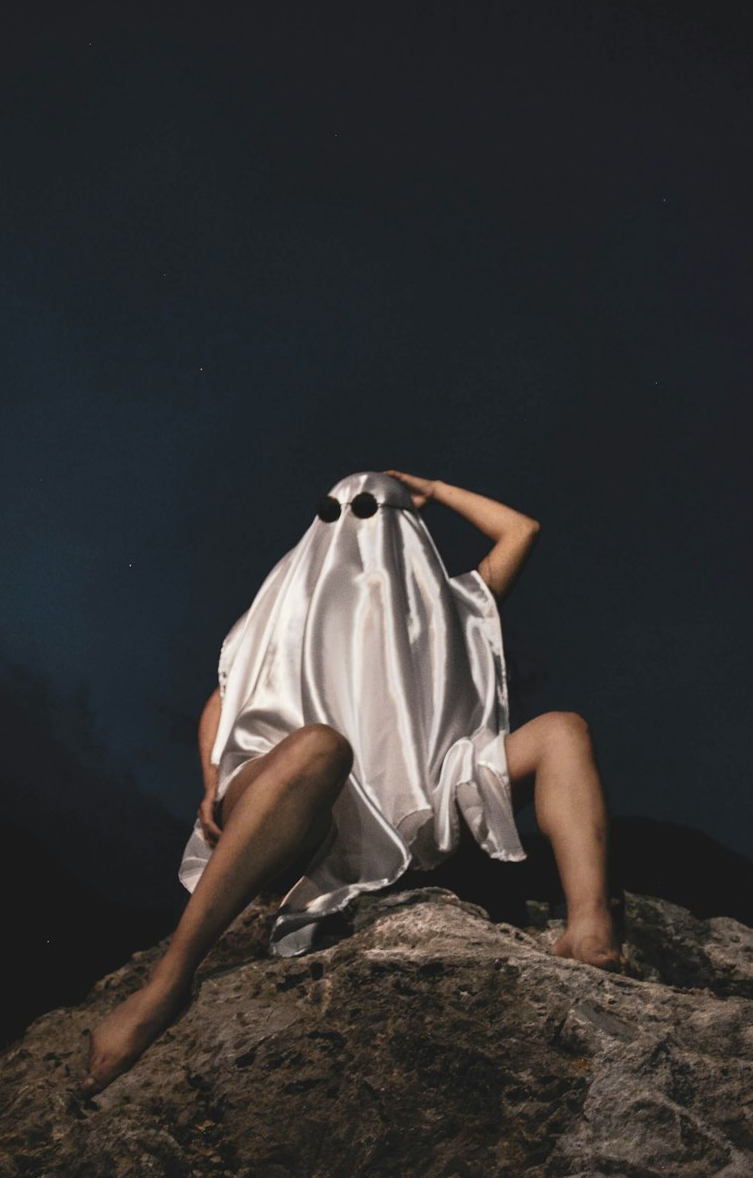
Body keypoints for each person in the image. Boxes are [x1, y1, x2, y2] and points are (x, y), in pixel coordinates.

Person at [82, 468, 623, 1096]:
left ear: (412, 531)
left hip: (424, 794)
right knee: (320, 747)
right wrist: (212, 780)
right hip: (291, 795)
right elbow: (223, 697)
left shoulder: (457, 605)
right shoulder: (282, 608)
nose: (354, 528)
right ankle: (168, 981)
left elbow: (520, 529)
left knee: (563, 730)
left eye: (374, 511)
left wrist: (433, 489)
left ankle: (590, 923)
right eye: (336, 511)